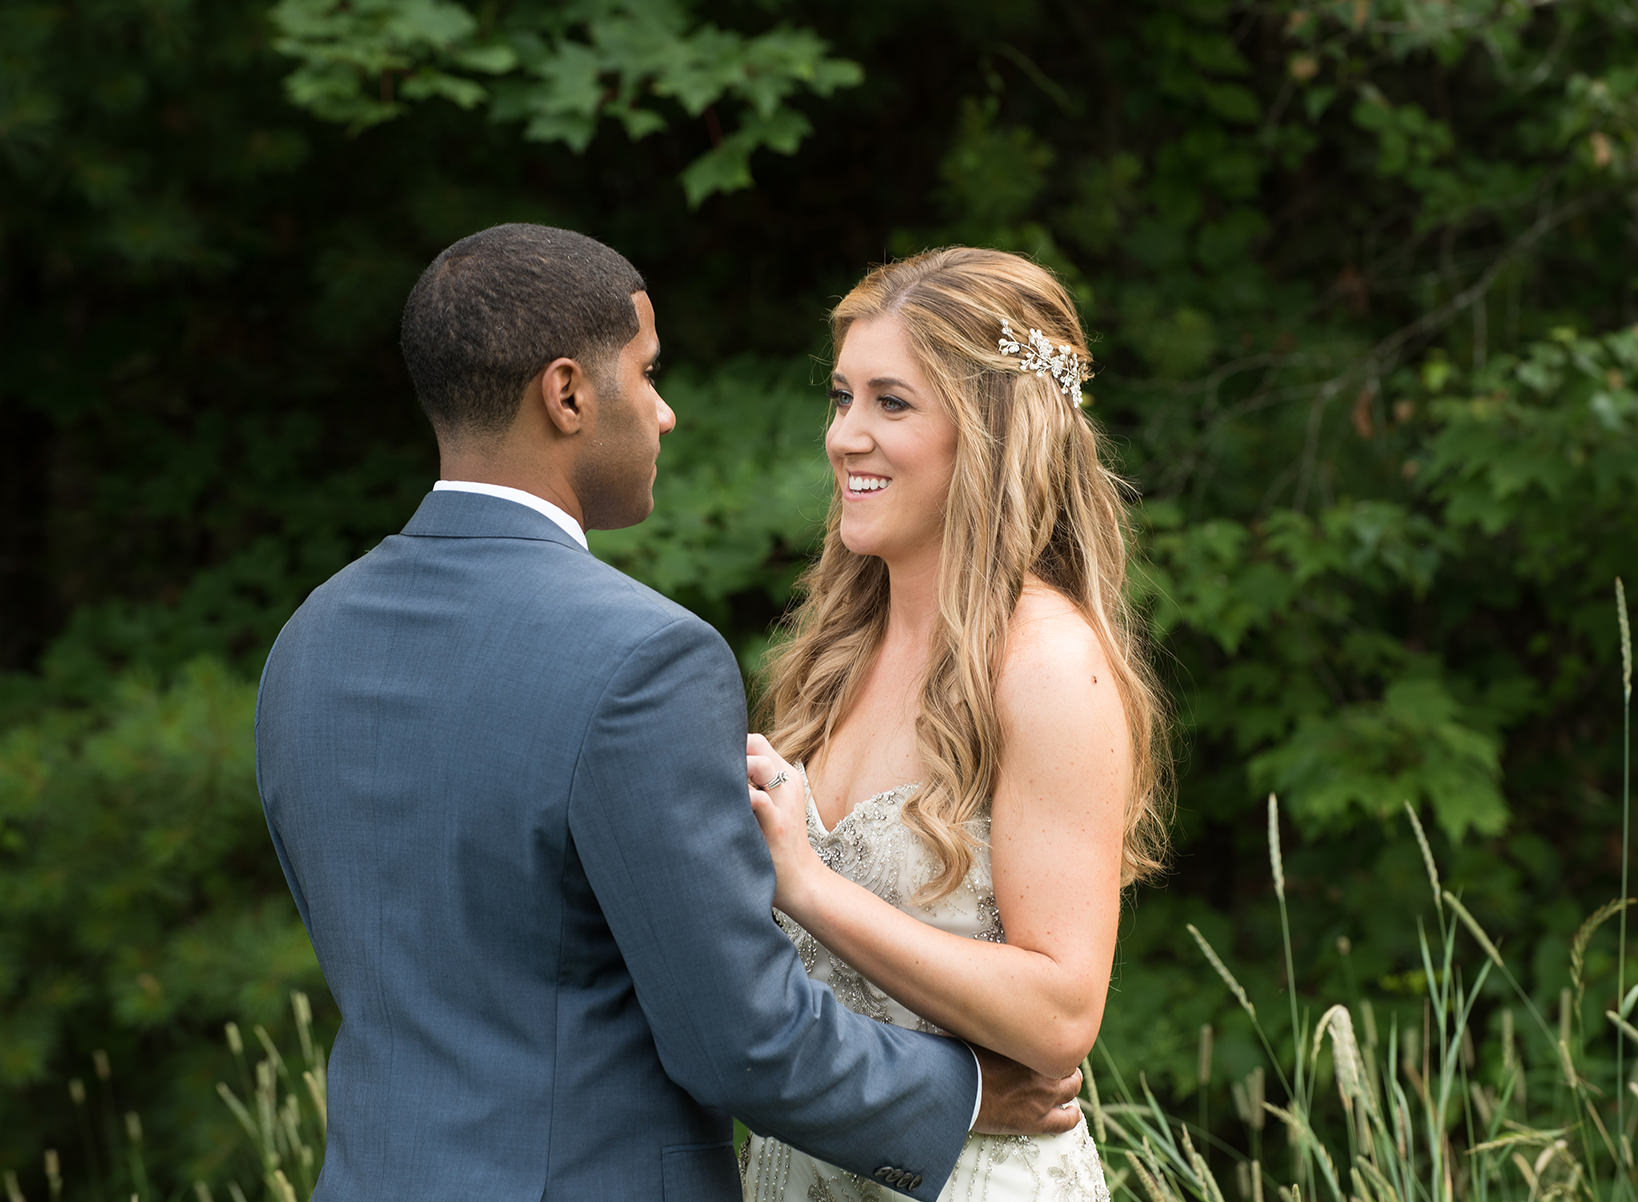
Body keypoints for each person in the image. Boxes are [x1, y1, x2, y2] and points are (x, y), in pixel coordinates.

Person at [253, 223, 1082, 1202]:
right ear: (566, 394)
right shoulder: (642, 657)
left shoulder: (309, 641)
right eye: (646, 375)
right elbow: (740, 1038)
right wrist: (964, 1092)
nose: (665, 411)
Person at [739, 247, 1171, 1200]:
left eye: (891, 402)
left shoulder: (1047, 665)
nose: (845, 435)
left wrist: (809, 889)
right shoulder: (832, 657)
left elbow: (1061, 1015)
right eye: (842, 396)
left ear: (990, 434)